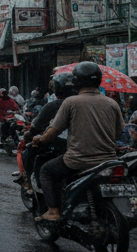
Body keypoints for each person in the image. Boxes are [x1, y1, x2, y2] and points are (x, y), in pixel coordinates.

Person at [32, 62, 125, 222]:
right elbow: (119, 132)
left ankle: (53, 211)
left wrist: (39, 139)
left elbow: (53, 131)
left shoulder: (71, 102)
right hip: (108, 161)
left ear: (76, 81)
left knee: (46, 171)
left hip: (78, 160)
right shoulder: (112, 103)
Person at [17, 73, 74, 193]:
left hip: (66, 147)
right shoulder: (101, 103)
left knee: (44, 170)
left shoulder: (57, 105)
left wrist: (34, 136)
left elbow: (41, 127)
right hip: (92, 148)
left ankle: (50, 207)